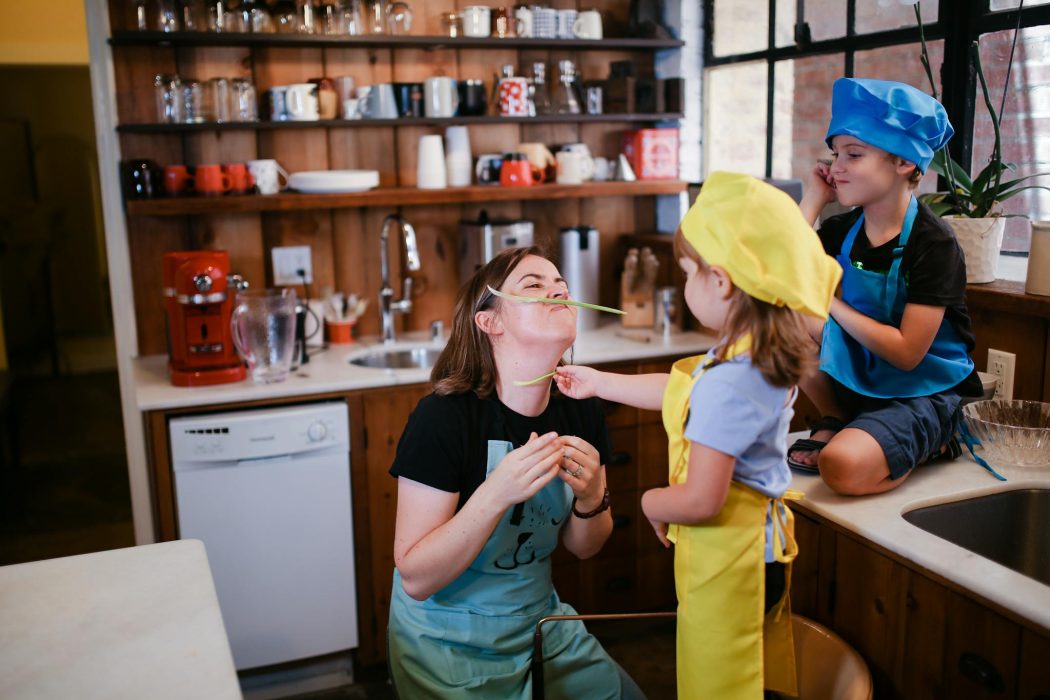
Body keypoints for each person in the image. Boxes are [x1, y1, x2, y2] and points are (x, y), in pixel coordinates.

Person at [555, 171, 842, 699]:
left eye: (686, 273)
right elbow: (682, 389)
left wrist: (651, 502)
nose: (683, 285)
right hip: (763, 554)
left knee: (724, 684)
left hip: (731, 567)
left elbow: (704, 499)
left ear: (721, 281)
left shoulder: (733, 380)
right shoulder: (752, 355)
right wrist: (599, 382)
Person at [386, 247, 645, 699]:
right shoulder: (443, 419)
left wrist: (592, 496)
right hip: (446, 643)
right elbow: (416, 577)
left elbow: (586, 548)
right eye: (534, 285)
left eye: (560, 284)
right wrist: (496, 493)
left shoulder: (581, 407)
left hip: (539, 626)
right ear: (490, 322)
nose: (558, 290)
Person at [790, 77, 984, 495]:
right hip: (864, 378)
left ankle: (939, 439)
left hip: (924, 391)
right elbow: (776, 267)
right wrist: (814, 199)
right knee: (782, 312)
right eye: (834, 153)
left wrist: (830, 305)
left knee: (840, 467)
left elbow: (907, 353)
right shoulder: (841, 230)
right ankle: (837, 417)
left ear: (904, 163)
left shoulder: (934, 244)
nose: (837, 166)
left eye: (854, 154)